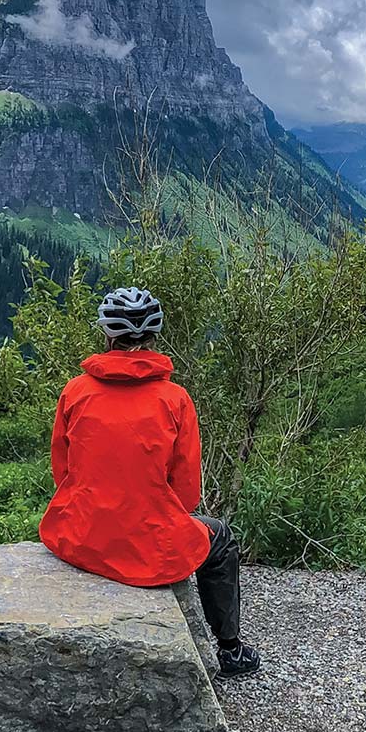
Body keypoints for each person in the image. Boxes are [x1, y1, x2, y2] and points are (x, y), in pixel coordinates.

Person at [39, 285, 261, 678]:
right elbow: (187, 495)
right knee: (221, 537)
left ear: (107, 335)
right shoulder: (175, 399)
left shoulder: (74, 392)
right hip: (144, 547)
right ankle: (231, 650)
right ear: (154, 337)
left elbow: (63, 475)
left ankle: (228, 648)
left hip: (79, 535)